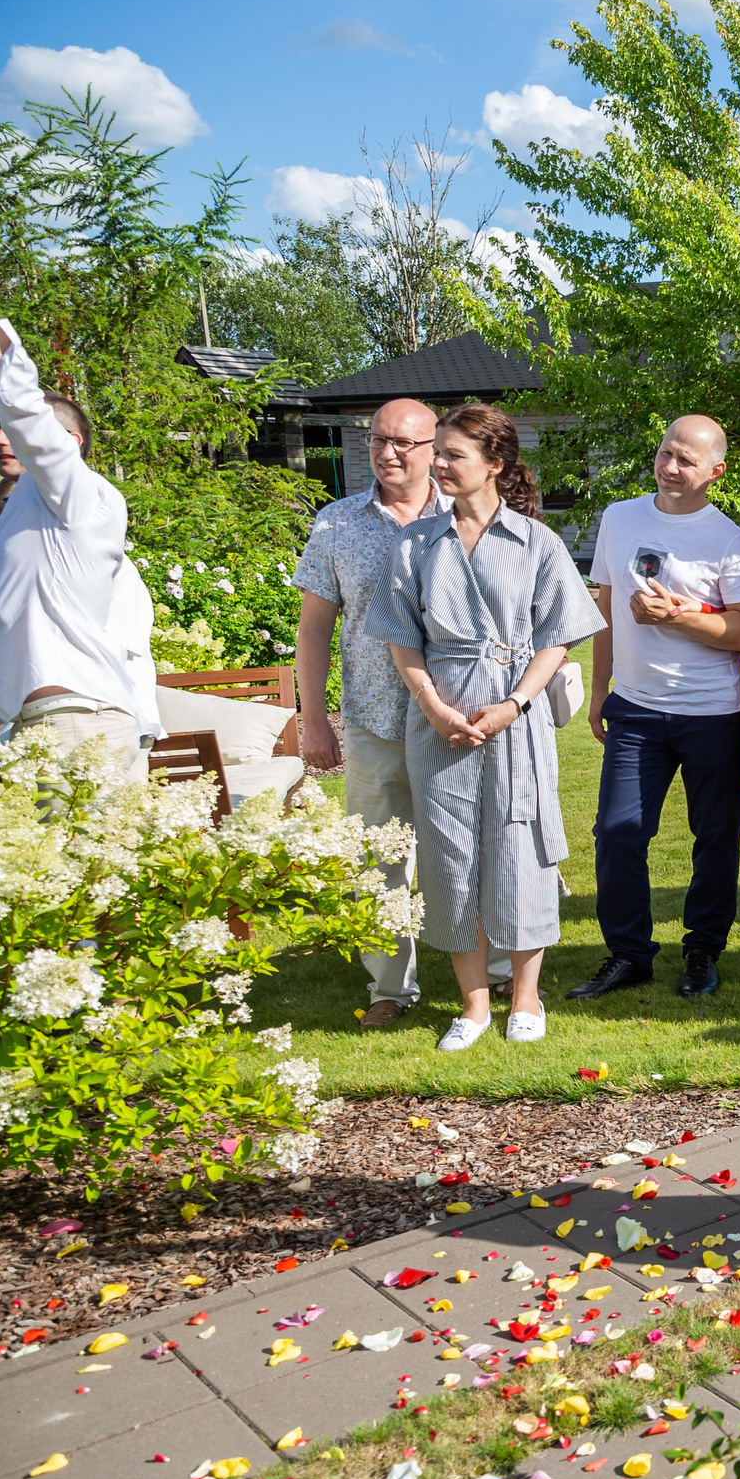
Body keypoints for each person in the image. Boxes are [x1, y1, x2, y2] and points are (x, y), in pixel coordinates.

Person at [365, 404, 605, 1051]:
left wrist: (516, 705)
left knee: (520, 851)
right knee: (448, 857)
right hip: (439, 723)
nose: (436, 464)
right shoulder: (413, 543)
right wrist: (434, 707)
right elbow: (401, 641)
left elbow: (557, 639)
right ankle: (472, 1005)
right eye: (436, 453)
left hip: (514, 722)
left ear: (494, 463)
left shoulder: (537, 543)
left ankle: (526, 997)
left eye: (452, 455)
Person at [294, 396, 473, 1026]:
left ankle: (493, 973)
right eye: (377, 440)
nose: (387, 453)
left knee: (467, 850)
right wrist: (314, 720)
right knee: (378, 860)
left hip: (459, 724)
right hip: (374, 720)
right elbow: (314, 628)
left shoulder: (467, 518)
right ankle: (390, 989)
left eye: (404, 443)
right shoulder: (337, 524)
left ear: (433, 449)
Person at [568, 416, 740, 1003]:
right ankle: (629, 954)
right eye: (665, 454)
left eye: (686, 460)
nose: (670, 468)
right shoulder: (619, 518)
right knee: (619, 833)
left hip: (714, 712)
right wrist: (601, 689)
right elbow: (604, 609)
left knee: (715, 836)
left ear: (715, 472)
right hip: (636, 708)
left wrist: (676, 615)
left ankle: (703, 951)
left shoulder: (730, 539)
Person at [0, 292, 161, 780]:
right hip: (44, 727)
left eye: (8, 427)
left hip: (79, 726)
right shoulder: (22, 520)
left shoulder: (81, 496)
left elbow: (17, 398)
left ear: (68, 446)